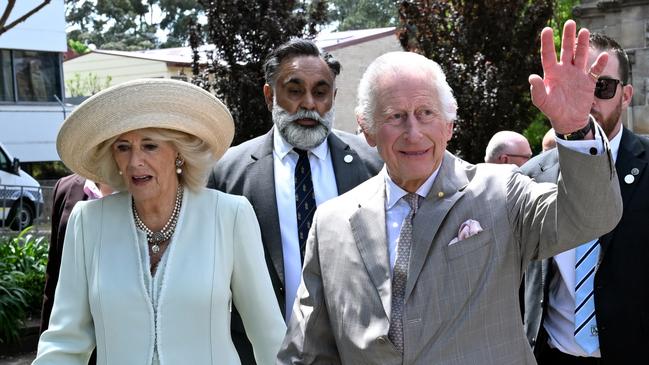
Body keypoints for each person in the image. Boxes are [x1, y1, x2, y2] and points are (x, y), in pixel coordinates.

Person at [277, 20, 622, 364]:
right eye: (395, 116)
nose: (413, 133)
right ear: (367, 130)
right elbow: (307, 351)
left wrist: (575, 130)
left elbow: (592, 216)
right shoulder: (331, 222)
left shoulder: (501, 190)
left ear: (449, 125)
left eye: (426, 113)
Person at [33, 79, 285, 365]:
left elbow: (268, 336)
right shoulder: (88, 223)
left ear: (178, 152)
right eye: (123, 147)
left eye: (150, 146)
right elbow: (64, 342)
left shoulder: (229, 216)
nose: (134, 161)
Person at [207, 39, 383, 364]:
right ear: (269, 96)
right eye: (294, 90)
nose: (309, 104)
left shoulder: (372, 166)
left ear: (333, 98)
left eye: (320, 92)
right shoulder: (227, 174)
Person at [522, 32, 645, 364]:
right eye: (574, 85)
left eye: (600, 87)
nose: (585, 99)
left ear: (625, 95)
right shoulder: (531, 176)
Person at [40, 174, 113, 365]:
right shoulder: (65, 188)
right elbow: (54, 277)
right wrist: (46, 350)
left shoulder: (142, 189)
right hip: (70, 348)